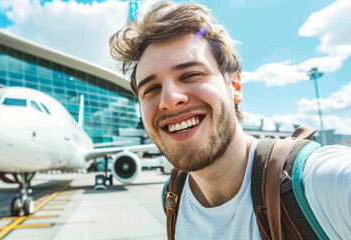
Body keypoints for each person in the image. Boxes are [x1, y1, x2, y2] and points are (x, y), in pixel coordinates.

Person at [109, 1, 351, 239]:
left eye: (191, 74)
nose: (169, 99)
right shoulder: (174, 197)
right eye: (150, 89)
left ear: (234, 85)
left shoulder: (318, 184)